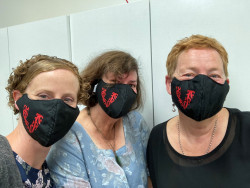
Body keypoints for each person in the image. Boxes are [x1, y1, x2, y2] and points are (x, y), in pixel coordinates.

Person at [147, 34, 250, 187]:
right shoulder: (157, 138)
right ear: (169, 84)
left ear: (226, 85)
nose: (202, 83)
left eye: (214, 75)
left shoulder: (246, 128)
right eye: (189, 74)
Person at [47, 50, 150, 187]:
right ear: (94, 84)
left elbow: (149, 177)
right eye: (114, 82)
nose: (124, 92)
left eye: (131, 85)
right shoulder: (69, 138)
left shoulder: (135, 122)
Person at [0, 54, 84, 188]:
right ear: (18, 98)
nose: (56, 107)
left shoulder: (52, 174)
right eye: (44, 96)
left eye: (67, 99)